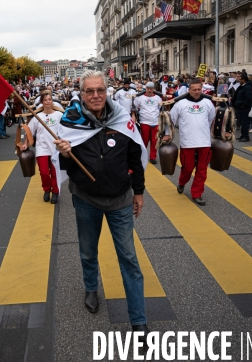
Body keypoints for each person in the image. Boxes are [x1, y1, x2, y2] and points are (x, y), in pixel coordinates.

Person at [53, 70, 148, 333]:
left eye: (100, 90)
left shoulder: (122, 119)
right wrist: (64, 153)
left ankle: (138, 320)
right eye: (89, 91)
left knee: (129, 258)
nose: (95, 95)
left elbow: (135, 158)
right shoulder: (70, 122)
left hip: (120, 200)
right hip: (86, 200)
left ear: (107, 92)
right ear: (81, 94)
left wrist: (138, 193)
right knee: (87, 250)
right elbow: (63, 166)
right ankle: (91, 288)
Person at [163, 79, 221, 205]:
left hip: (204, 142)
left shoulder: (207, 103)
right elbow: (170, 121)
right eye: (194, 89)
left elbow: (212, 119)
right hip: (187, 142)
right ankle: (182, 182)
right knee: (187, 168)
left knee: (202, 170)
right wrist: (167, 134)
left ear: (202, 90)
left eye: (199, 89)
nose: (196, 92)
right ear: (189, 90)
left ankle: (197, 194)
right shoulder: (180, 104)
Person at [19, 93, 63, 204]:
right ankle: (47, 190)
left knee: (54, 172)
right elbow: (29, 132)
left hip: (55, 149)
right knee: (44, 172)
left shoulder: (59, 115)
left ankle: (55, 192)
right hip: (42, 148)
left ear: (52, 101)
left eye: (50, 99)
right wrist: (25, 144)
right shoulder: (37, 117)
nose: (48, 101)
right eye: (46, 100)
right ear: (42, 102)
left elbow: (66, 129)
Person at [133, 81, 162, 164]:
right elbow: (135, 107)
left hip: (155, 122)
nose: (149, 90)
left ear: (153, 89)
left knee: (154, 141)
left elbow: (159, 108)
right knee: (144, 140)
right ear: (145, 88)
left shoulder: (158, 98)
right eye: (148, 88)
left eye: (151, 89)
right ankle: (143, 156)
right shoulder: (140, 98)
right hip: (144, 122)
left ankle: (153, 157)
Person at [233, 72, 252, 142]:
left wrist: (243, 105)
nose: (239, 80)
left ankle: (246, 136)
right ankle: (242, 135)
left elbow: (248, 98)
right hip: (240, 106)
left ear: (244, 80)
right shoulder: (242, 86)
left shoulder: (247, 87)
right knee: (242, 122)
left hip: (244, 107)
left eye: (240, 79)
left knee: (245, 122)